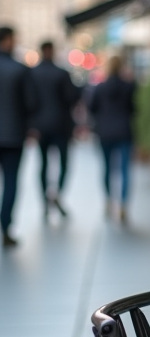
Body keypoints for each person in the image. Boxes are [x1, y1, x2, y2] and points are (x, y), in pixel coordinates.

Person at [30, 40, 80, 218]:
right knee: (64, 163)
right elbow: (72, 97)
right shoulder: (61, 73)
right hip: (60, 125)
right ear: (51, 50)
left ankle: (44, 200)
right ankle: (56, 194)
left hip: (41, 126)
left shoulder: (33, 73)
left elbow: (29, 101)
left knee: (43, 164)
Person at [87, 54, 137, 223]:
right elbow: (134, 108)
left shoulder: (100, 87)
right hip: (124, 131)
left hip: (105, 132)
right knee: (124, 171)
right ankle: (123, 205)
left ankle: (109, 201)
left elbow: (91, 108)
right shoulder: (129, 86)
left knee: (107, 168)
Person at [0, 26, 38, 247]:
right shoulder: (20, 69)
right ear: (9, 40)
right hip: (13, 134)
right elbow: (31, 103)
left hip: (14, 133)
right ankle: (6, 227)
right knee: (12, 182)